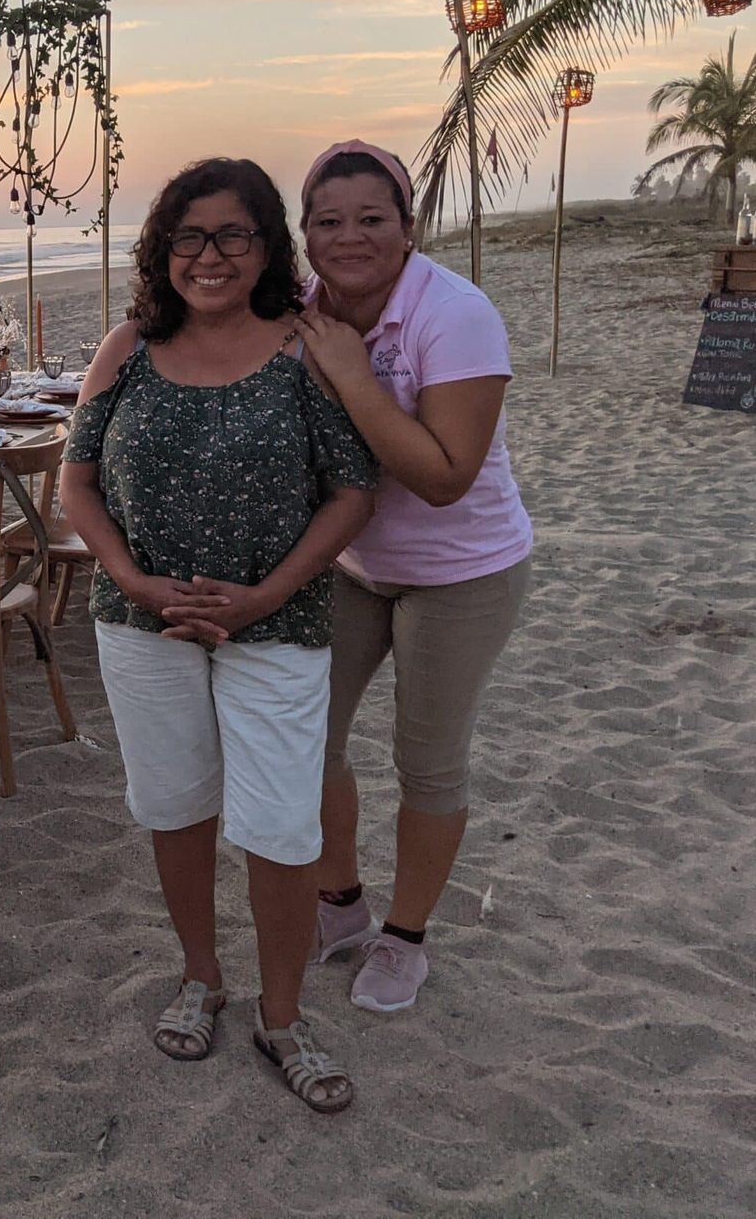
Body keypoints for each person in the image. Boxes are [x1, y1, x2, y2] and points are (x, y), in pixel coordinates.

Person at [61, 157, 377, 1112]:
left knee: (283, 824)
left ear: (265, 248)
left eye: (233, 236)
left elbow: (353, 493)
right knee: (176, 803)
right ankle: (202, 975)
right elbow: (76, 482)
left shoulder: (304, 349)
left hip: (275, 624)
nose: (210, 255)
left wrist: (261, 594)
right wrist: (132, 581)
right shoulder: (124, 347)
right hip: (140, 624)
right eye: (189, 237)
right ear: (164, 251)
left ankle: (282, 1018)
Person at [289, 140, 534, 1014]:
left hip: (462, 570)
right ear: (305, 234)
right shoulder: (301, 312)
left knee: (427, 763)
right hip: (355, 563)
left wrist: (356, 381)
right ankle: (343, 905)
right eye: (328, 221)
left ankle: (406, 938)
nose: (349, 237)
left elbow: (441, 477)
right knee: (303, 740)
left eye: (371, 219)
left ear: (408, 227)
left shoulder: (455, 315)